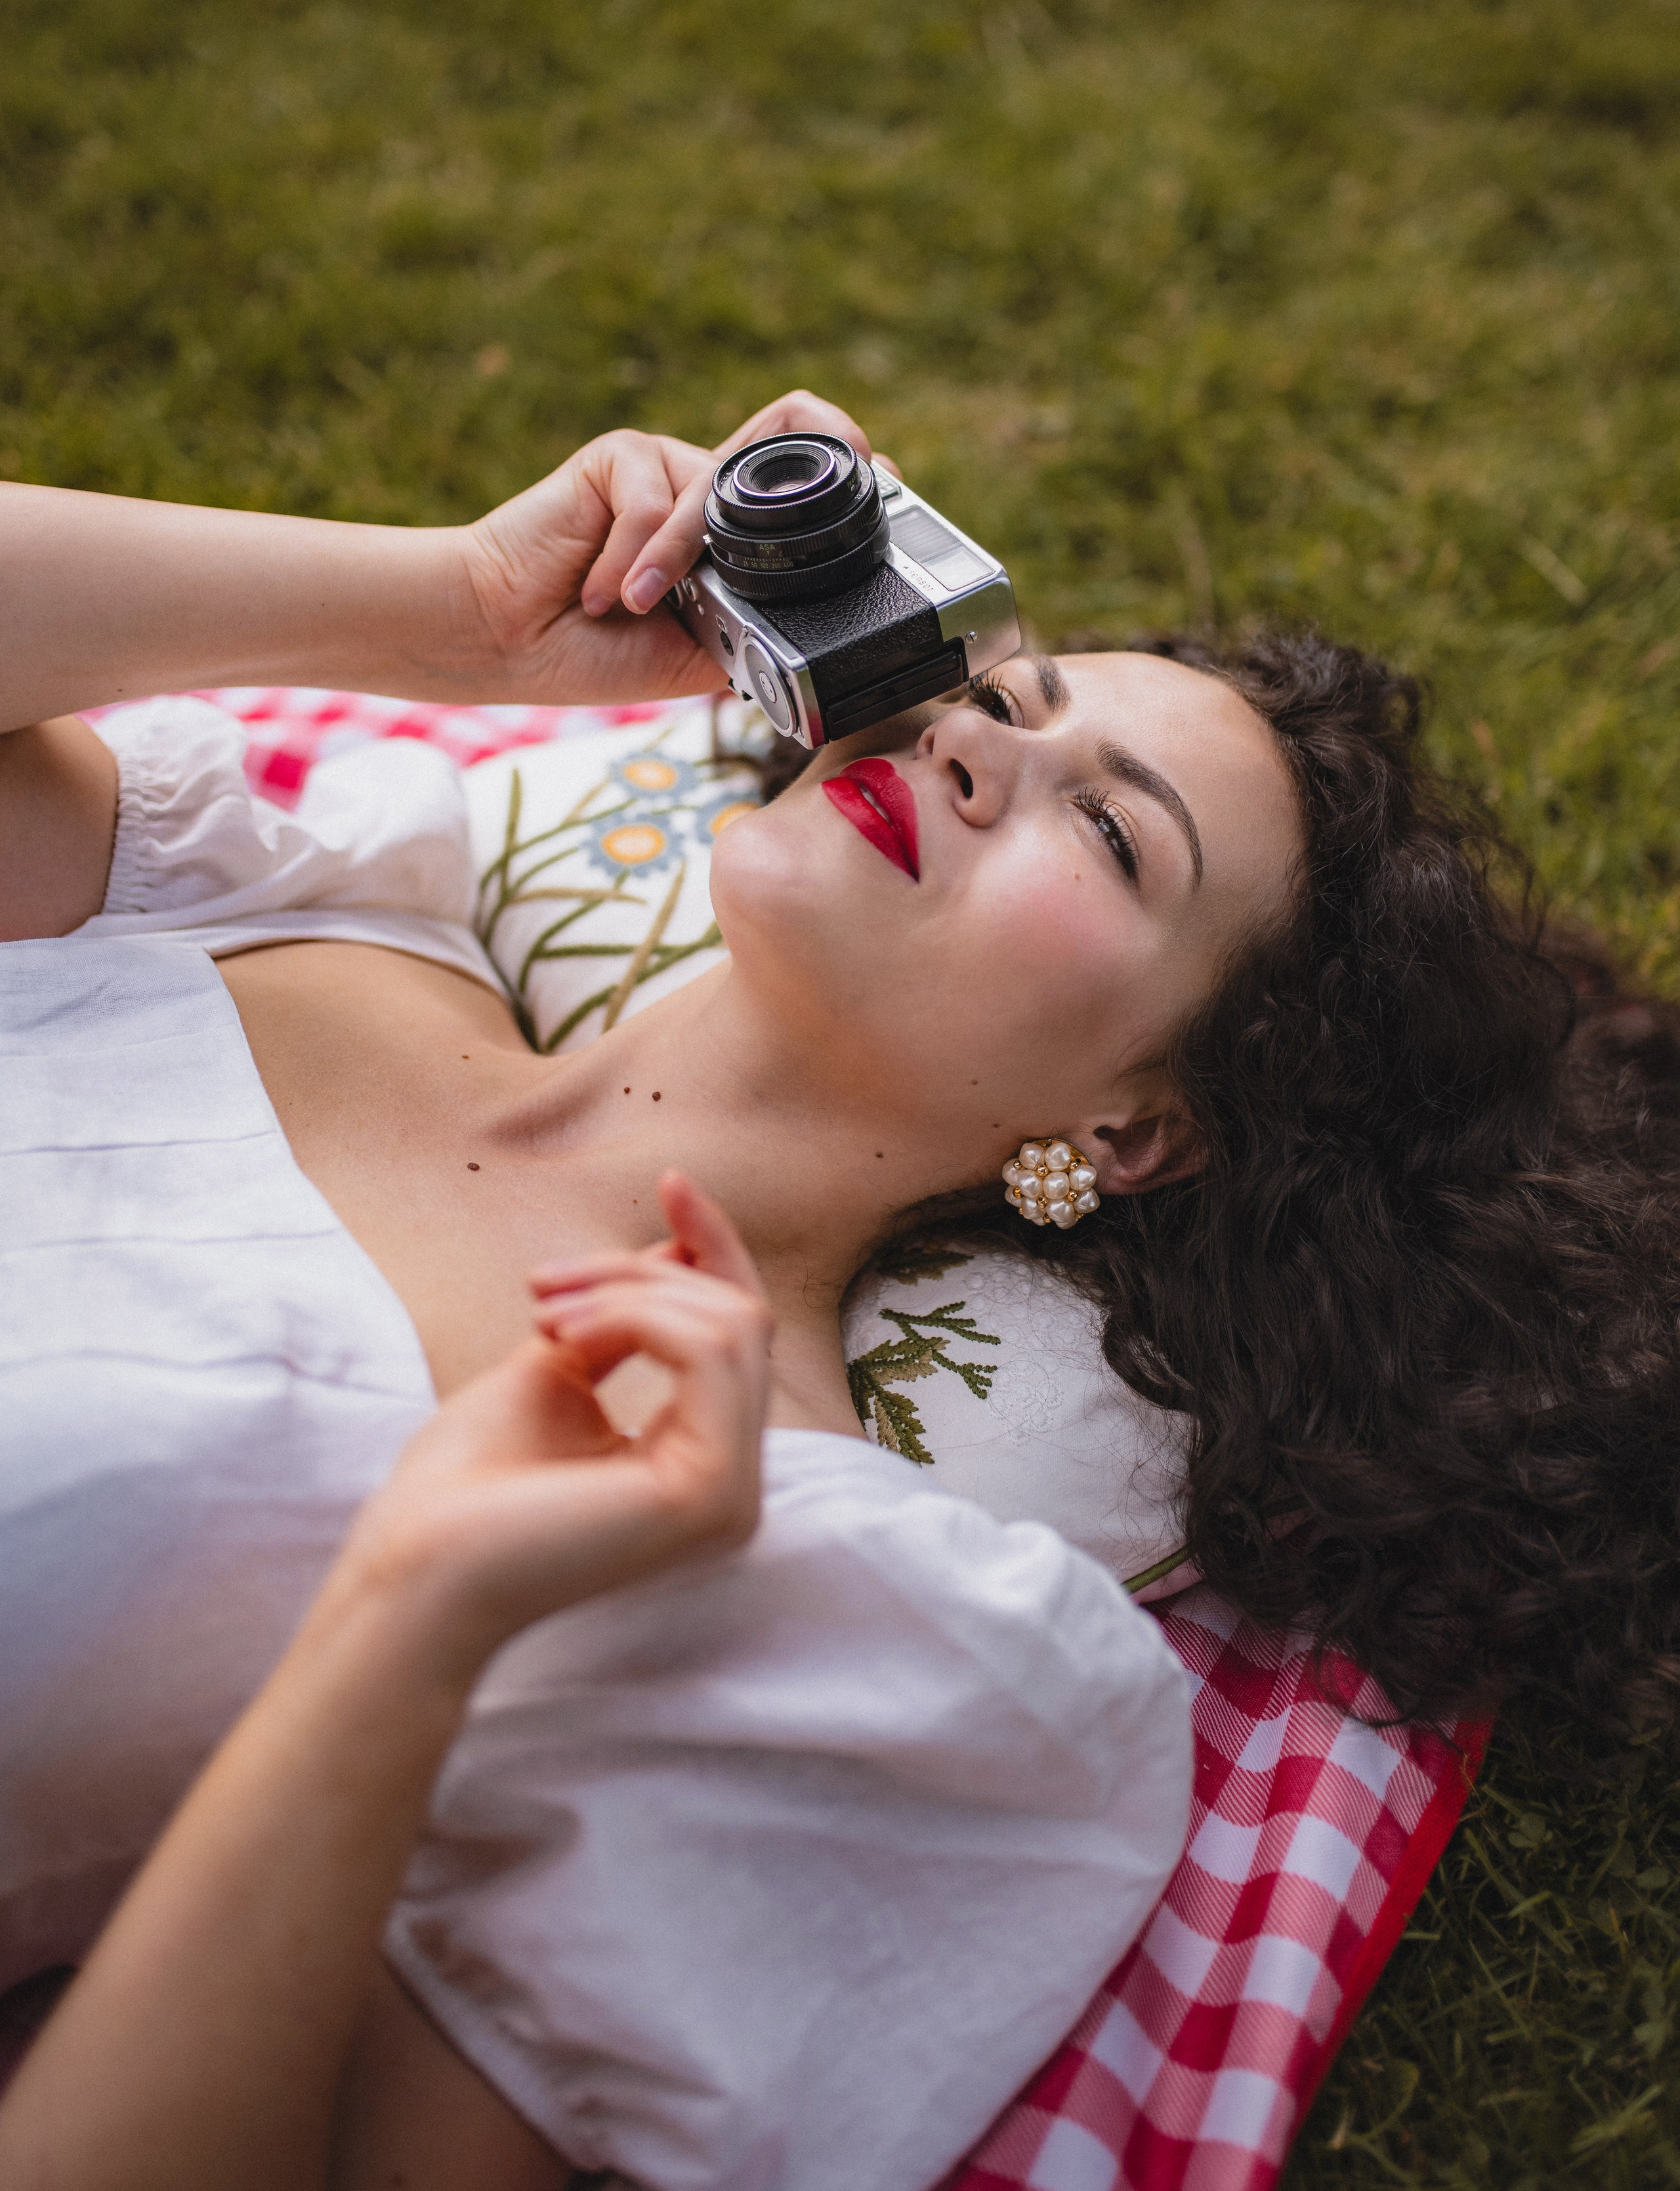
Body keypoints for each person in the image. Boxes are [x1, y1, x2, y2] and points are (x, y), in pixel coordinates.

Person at [1, 391, 1677, 2188]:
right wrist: (455, 608)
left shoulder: (819, 1595)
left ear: (1134, 1133)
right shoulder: (287, 889)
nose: (980, 752)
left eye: (1112, 839)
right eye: (1007, 699)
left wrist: (413, 1615)